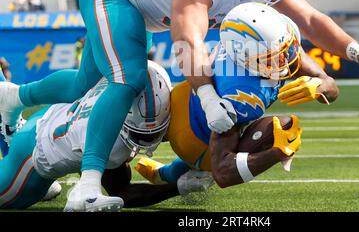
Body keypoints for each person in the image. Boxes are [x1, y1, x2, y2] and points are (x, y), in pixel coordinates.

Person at [0, 0, 359, 211]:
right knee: (129, 77)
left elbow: (310, 19)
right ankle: (86, 188)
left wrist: (353, 49)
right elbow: (187, 41)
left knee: (81, 86)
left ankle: (12, 97)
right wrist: (208, 99)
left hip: (139, 10)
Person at [135, 3, 338, 189]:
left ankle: (165, 172)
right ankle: (188, 171)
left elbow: (330, 84)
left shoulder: (268, 41)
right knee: (283, 126)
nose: (284, 59)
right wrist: (276, 152)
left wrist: (320, 86)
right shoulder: (242, 94)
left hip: (182, 99)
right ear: (247, 61)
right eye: (271, 58)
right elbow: (223, 173)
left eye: (286, 49)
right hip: (193, 138)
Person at [0, 61, 209, 210]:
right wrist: (179, 187)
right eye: (140, 134)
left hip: (52, 113)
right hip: (30, 159)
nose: (148, 139)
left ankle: (7, 100)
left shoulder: (123, 77)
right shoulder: (112, 148)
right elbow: (123, 193)